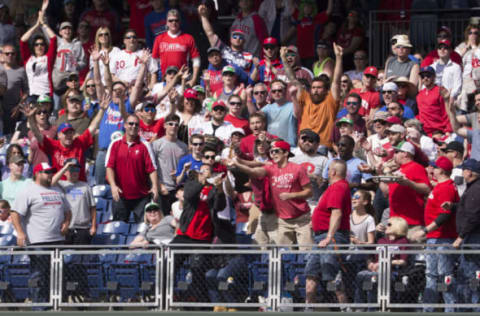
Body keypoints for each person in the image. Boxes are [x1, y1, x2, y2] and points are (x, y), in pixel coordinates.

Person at [230, 140, 313, 248]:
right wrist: (237, 163)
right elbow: (253, 172)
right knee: (283, 255)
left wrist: (292, 195)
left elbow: (309, 192)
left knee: (307, 252)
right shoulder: (270, 168)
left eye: (276, 151)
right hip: (283, 219)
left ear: (286, 153)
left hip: (301, 218)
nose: (273, 154)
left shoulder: (298, 169)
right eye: (271, 152)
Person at [10, 162, 71, 304]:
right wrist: (20, 233)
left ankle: (56, 304)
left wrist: (67, 223)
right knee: (39, 274)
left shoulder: (57, 189)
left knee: (56, 274)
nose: (50, 175)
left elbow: (68, 211)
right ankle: (39, 305)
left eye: (51, 172)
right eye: (47, 172)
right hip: (38, 241)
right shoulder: (28, 191)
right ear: (37, 174)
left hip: (57, 239)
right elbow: (15, 213)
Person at [411, 156, 459, 312]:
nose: (431, 169)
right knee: (432, 275)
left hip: (442, 238)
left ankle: (450, 310)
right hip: (435, 238)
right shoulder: (441, 186)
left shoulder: (446, 187)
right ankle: (428, 309)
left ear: (442, 170)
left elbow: (444, 216)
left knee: (444, 276)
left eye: (435, 167)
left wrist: (425, 231)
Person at [27, 92, 109, 182]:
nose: (68, 136)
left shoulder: (79, 142)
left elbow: (93, 127)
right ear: (58, 135)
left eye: (70, 133)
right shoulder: (53, 145)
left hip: (79, 185)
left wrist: (102, 110)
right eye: (65, 133)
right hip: (60, 185)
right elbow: (38, 134)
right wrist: (31, 118)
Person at [306, 159, 351, 307]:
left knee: (332, 275)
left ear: (333, 172)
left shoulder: (338, 187)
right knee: (311, 273)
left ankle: (344, 308)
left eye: (328, 169)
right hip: (321, 237)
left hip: (331, 238)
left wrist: (329, 237)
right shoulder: (333, 187)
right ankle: (309, 308)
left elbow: (336, 213)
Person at [106, 114, 159, 223]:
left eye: (136, 124)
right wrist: (113, 185)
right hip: (120, 195)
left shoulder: (145, 145)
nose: (133, 126)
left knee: (142, 229)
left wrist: (154, 186)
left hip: (141, 196)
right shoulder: (115, 144)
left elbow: (152, 169)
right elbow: (109, 167)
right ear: (125, 125)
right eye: (131, 123)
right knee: (118, 228)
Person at [294, 42, 343, 148]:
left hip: (322, 147)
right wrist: (284, 61)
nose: (315, 91)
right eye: (313, 88)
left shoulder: (330, 101)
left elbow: (336, 82)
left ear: (326, 90)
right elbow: (293, 80)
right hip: (303, 147)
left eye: (319, 88)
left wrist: (338, 57)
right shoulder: (306, 98)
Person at [354, 216, 409, 305]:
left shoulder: (403, 241)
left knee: (374, 280)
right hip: (374, 270)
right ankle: (360, 305)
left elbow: (403, 261)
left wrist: (383, 263)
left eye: (389, 224)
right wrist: (370, 263)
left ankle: (372, 309)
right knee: (361, 275)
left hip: (392, 272)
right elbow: (370, 256)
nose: (385, 226)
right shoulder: (381, 240)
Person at [448, 159, 480, 311]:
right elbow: (468, 208)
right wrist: (454, 206)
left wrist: (460, 236)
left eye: (463, 170)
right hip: (471, 237)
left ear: (469, 172)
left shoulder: (476, 189)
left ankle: (473, 308)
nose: (461, 173)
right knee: (470, 275)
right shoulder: (473, 188)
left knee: (471, 275)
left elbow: (473, 216)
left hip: (472, 238)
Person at [379, 141, 431, 227]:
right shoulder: (398, 170)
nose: (394, 155)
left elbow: (427, 188)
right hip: (395, 221)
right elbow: (387, 191)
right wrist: (379, 174)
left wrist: (409, 183)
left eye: (396, 152)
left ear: (405, 154)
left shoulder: (416, 167)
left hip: (411, 221)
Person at [51, 158, 96, 244]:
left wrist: (93, 226)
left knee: (80, 256)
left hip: (83, 229)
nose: (75, 172)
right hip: (66, 228)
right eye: (71, 169)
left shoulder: (86, 186)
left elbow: (93, 208)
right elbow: (51, 182)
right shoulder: (61, 184)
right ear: (65, 172)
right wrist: (65, 167)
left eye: (77, 169)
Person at [198, 5, 253, 72]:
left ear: (244, 41)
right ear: (230, 39)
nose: (237, 38)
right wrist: (204, 17)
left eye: (240, 37)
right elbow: (210, 34)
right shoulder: (223, 49)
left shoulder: (249, 56)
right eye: (235, 36)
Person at [152, 9, 200, 87]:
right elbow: (154, 62)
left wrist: (193, 80)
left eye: (176, 20)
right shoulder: (159, 39)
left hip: (182, 80)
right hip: (165, 80)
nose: (173, 23)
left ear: (179, 22)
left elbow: (196, 60)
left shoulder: (188, 38)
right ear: (166, 22)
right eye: (170, 21)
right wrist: (154, 80)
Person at [152, 114, 188, 215]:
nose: (173, 126)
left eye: (176, 125)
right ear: (164, 126)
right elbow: (151, 168)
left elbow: (186, 169)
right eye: (170, 124)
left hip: (178, 189)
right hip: (163, 189)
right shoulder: (156, 144)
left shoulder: (184, 146)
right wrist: (159, 185)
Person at [20, 8, 57, 96]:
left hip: (46, 93)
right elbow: (23, 40)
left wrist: (43, 24)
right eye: (36, 44)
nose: (39, 46)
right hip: (32, 94)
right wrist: (36, 25)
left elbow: (53, 38)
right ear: (33, 47)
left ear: (45, 46)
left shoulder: (48, 57)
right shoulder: (28, 58)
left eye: (42, 44)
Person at [290, 129, 328, 206]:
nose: (307, 143)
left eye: (310, 141)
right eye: (304, 140)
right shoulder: (292, 159)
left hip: (314, 203)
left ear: (317, 144)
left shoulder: (324, 160)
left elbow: (326, 182)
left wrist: (319, 179)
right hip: (295, 203)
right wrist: (310, 175)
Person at [1, 43, 28, 135]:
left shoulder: (21, 71)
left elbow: (26, 91)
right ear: (2, 55)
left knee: (9, 139)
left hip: (13, 112)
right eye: (7, 53)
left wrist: (19, 106)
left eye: (13, 53)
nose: (10, 56)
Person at [261, 79, 298, 146]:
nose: (276, 93)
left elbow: (298, 115)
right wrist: (248, 100)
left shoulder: (292, 105)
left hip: (289, 146)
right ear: (271, 93)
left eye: (279, 90)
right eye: (274, 91)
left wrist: (293, 96)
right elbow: (254, 117)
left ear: (285, 91)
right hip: (272, 146)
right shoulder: (267, 108)